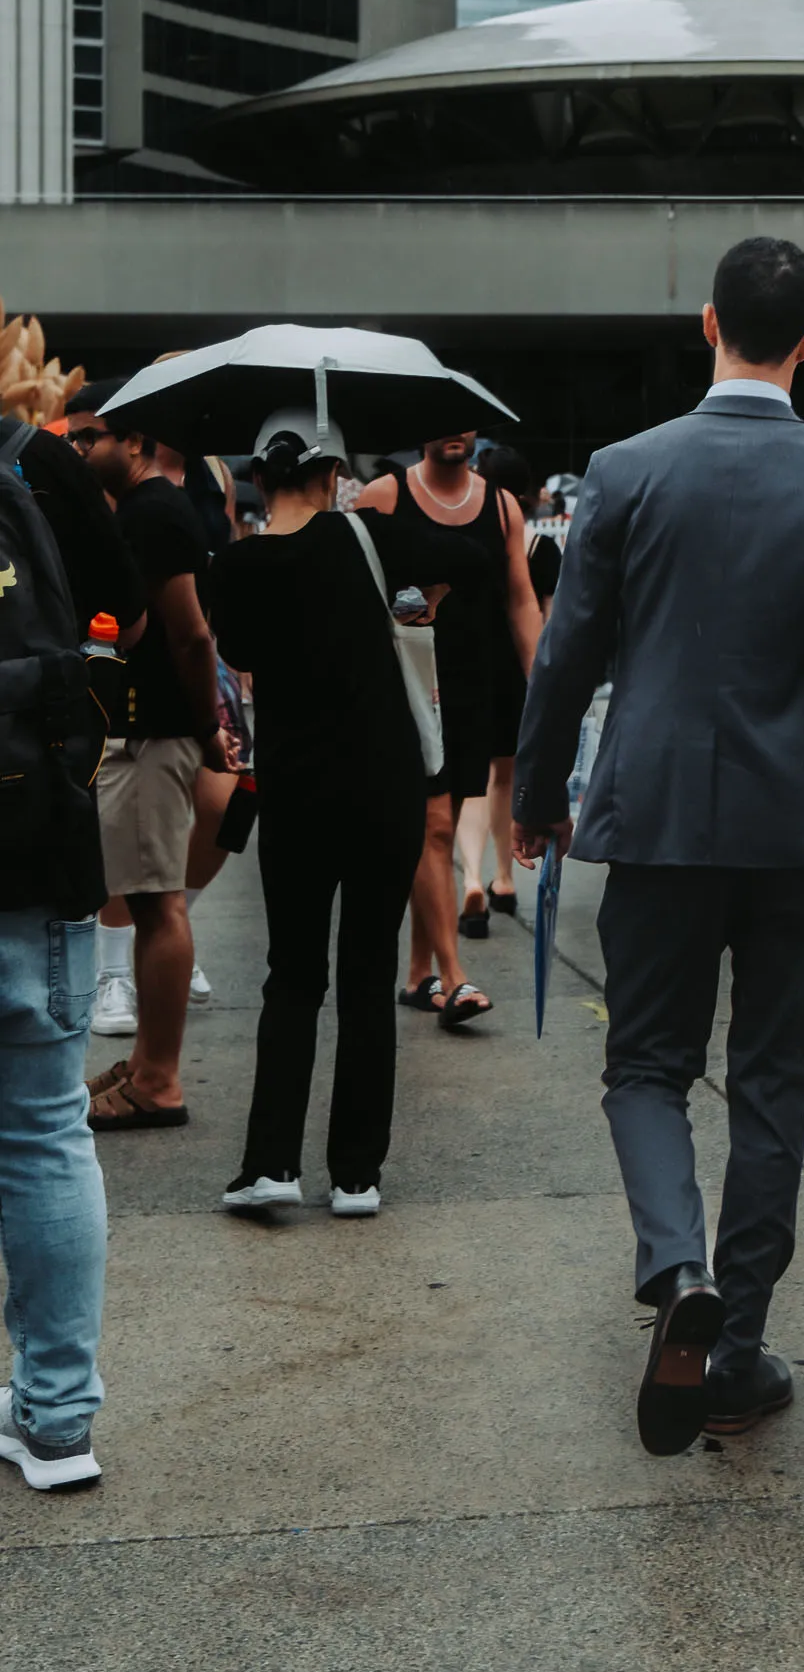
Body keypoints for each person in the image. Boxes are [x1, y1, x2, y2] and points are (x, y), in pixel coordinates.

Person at [513, 237, 804, 1455]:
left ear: (706, 322)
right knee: (773, 1079)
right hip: (792, 829)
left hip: (660, 812)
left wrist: (536, 790)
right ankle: (736, 1349)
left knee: (646, 1067)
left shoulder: (625, 471)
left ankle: (676, 1269)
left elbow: (568, 652)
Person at [210, 413, 471, 1215]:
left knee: (293, 973)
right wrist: (417, 597)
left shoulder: (233, 565)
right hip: (385, 782)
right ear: (332, 476)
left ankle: (271, 1164)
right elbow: (473, 554)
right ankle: (357, 1174)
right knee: (367, 972)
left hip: (297, 790)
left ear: (258, 480)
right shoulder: (371, 535)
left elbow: (244, 655)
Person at [0, 422, 115, 1490]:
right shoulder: (39, 470)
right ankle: (59, 1418)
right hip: (34, 851)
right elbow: (108, 635)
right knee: (44, 1131)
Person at [67, 389, 229, 1131]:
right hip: (150, 728)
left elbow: (191, 635)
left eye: (87, 438)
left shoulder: (154, 512)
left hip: (154, 730)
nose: (76, 450)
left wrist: (203, 723)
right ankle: (144, 1065)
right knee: (144, 898)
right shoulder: (138, 509)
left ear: (131, 443)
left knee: (157, 904)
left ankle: (159, 1079)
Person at [357, 432, 541, 1022]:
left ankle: (417, 977)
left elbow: (521, 600)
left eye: (465, 423)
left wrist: (542, 685)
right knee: (435, 826)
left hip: (472, 687)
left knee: (436, 829)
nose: (454, 433)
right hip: (405, 686)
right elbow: (356, 593)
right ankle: (455, 978)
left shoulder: (500, 505)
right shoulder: (383, 497)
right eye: (439, 423)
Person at [453, 445, 547, 934]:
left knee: (472, 778)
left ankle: (470, 876)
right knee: (505, 777)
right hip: (518, 669)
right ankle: (505, 878)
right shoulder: (539, 548)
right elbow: (545, 617)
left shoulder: (472, 539)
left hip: (471, 664)